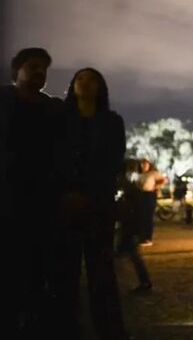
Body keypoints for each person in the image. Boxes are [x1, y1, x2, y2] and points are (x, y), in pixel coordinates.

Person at [53, 68, 129, 340]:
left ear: (101, 87)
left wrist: (95, 193)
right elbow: (54, 159)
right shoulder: (60, 119)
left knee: (102, 271)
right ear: (72, 86)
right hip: (66, 203)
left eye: (91, 79)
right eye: (80, 79)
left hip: (99, 204)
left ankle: (109, 328)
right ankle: (67, 327)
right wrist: (67, 191)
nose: (85, 84)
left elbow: (113, 161)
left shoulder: (111, 122)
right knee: (66, 270)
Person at [0, 48, 63, 337]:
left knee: (40, 265)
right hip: (9, 196)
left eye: (44, 68)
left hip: (44, 199)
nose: (40, 72)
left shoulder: (54, 108)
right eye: (33, 66)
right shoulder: (3, 100)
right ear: (17, 70)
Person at [117, 159, 152, 294]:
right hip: (129, 225)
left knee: (131, 254)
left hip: (130, 226)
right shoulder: (129, 186)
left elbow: (134, 209)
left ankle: (144, 282)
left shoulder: (129, 187)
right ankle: (142, 281)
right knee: (126, 254)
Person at [138, 159, 167, 246]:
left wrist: (156, 186)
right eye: (142, 164)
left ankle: (148, 238)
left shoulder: (153, 173)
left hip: (149, 195)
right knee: (142, 217)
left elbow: (164, 180)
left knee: (148, 217)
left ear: (149, 165)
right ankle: (142, 237)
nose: (144, 166)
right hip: (142, 195)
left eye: (146, 164)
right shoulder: (141, 175)